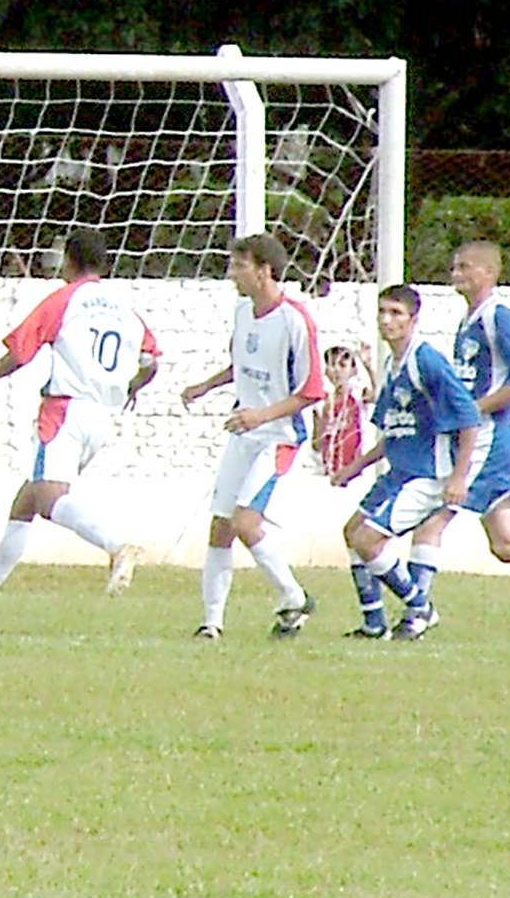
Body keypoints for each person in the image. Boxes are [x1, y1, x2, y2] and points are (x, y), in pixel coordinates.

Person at [0, 228, 160, 620]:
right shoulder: (127, 311)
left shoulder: (65, 300)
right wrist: (130, 387)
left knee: (47, 499)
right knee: (25, 503)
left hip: (65, 412)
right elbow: (151, 361)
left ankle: (117, 545)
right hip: (103, 417)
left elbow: (20, 353)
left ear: (69, 261)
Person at [179, 232, 325, 641]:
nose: (232, 274)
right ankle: (211, 623)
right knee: (221, 526)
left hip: (278, 435)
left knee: (246, 521)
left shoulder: (296, 319)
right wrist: (204, 386)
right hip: (244, 433)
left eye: (239, 266)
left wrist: (261, 415)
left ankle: (293, 595)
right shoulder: (244, 312)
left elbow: (312, 389)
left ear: (264, 271)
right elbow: (239, 364)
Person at [333, 284, 480, 639]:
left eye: (396, 313)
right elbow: (394, 430)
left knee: (368, 540)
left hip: (427, 474)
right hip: (399, 471)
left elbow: (469, 416)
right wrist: (356, 467)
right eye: (383, 311)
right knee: (352, 533)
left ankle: (420, 608)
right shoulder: (391, 364)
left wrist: (459, 477)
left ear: (413, 319)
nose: (387, 320)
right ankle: (373, 624)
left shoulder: (425, 360)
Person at [410, 240, 510, 577]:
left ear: (489, 272)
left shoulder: (498, 317)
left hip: (488, 439)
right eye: (454, 267)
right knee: (506, 547)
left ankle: (416, 614)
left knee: (430, 524)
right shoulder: (469, 321)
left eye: (464, 267)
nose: (455, 273)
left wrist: (471, 410)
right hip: (483, 439)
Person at [311, 343, 375, 485]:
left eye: (342, 365)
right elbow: (316, 444)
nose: (337, 371)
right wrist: (326, 431)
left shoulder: (359, 395)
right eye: (332, 365)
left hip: (358, 472)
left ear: (353, 370)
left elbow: (378, 395)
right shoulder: (322, 402)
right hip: (329, 472)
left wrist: (369, 367)